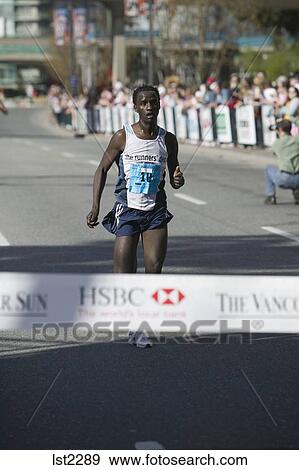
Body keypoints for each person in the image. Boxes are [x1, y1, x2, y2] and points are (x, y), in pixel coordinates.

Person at [86, 85, 185, 275]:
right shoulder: (122, 137)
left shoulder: (168, 140)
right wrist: (95, 206)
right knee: (123, 274)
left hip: (155, 211)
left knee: (154, 269)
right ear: (136, 107)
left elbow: (175, 178)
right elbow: (101, 170)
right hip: (127, 209)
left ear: (159, 106)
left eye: (153, 102)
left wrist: (178, 179)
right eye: (143, 103)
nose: (149, 107)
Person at [264, 119, 299, 205]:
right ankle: (297, 192)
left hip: (284, 179)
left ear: (279, 130)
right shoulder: (297, 140)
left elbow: (274, 153)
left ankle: (270, 196)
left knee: (268, 168)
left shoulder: (277, 143)